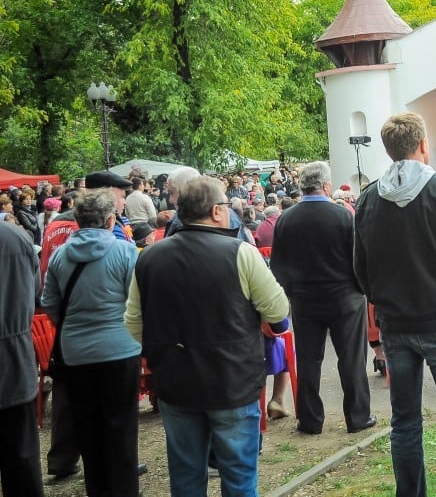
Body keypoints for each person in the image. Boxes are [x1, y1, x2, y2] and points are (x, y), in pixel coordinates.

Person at [353, 111, 436, 497]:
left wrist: (381, 301)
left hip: (397, 323)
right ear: (423, 145)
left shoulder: (367, 199)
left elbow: (359, 268)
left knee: (405, 423)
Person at [124, 176, 290, 496]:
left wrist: (162, 351)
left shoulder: (149, 257)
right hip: (233, 379)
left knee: (186, 475)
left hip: (176, 380)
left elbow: (133, 324)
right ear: (216, 211)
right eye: (227, 206)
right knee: (239, 475)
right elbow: (277, 309)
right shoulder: (241, 252)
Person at [42, 189, 142, 497]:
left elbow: (49, 303)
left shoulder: (60, 255)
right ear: (111, 219)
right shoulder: (125, 252)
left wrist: (72, 326)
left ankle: (97, 489)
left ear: (77, 220)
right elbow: (135, 301)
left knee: (87, 424)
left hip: (76, 352)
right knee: (121, 424)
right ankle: (124, 489)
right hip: (120, 349)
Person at [270, 161, 375, 436]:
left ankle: (310, 419)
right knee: (351, 358)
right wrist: (359, 289)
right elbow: (358, 258)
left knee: (308, 359)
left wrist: (292, 290)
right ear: (326, 186)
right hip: (344, 296)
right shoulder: (343, 216)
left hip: (304, 298)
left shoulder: (286, 218)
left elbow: (277, 265)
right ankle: (358, 416)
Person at [0, 217, 44, 497]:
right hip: (15, 359)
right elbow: (36, 292)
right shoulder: (15, 237)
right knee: (21, 454)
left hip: (14, 350)